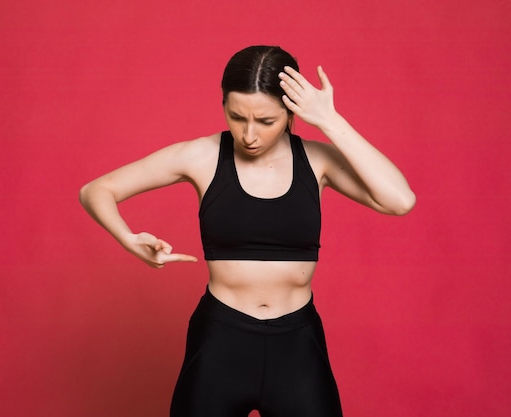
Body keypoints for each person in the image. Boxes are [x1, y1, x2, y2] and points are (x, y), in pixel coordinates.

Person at [80, 45, 415, 417]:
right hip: (220, 339)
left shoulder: (317, 160)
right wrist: (129, 240)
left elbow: (399, 200)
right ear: (223, 103)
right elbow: (96, 190)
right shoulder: (201, 156)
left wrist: (330, 121)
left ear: (291, 112)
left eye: (266, 121)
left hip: (297, 344)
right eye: (237, 116)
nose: (249, 135)